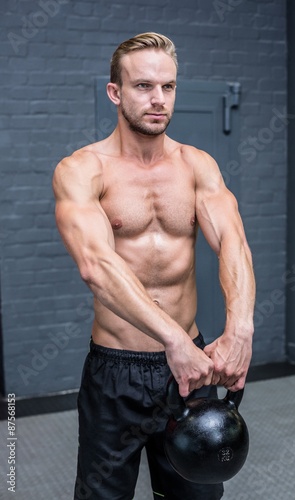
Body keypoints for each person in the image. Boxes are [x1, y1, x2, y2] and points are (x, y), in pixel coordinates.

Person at [53, 32, 255, 500]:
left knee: (197, 492)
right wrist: (173, 338)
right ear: (115, 92)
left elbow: (233, 243)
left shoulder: (196, 165)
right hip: (115, 373)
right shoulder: (82, 170)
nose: (158, 99)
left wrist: (240, 329)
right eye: (143, 86)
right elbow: (96, 265)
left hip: (190, 367)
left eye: (168, 87)